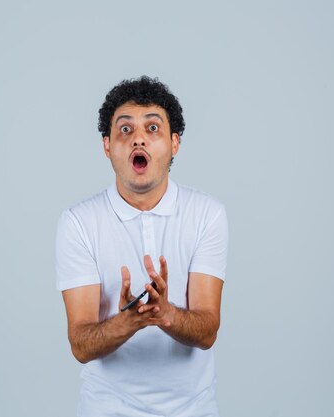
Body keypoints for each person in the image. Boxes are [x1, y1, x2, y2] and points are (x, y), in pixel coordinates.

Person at [55, 76, 229, 417]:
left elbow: (208, 330)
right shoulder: (78, 222)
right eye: (124, 130)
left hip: (194, 410)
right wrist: (128, 321)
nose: (138, 138)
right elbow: (80, 343)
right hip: (105, 409)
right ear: (107, 146)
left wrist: (166, 314)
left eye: (153, 128)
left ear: (174, 143)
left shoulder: (207, 214)